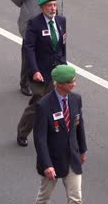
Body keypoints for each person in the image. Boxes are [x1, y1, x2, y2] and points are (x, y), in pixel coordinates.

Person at [16, 0, 67, 147]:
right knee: (37, 104)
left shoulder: (61, 21)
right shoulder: (34, 24)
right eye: (49, 6)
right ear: (42, 8)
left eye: (54, 5)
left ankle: (54, 134)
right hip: (40, 72)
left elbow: (62, 45)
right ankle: (23, 132)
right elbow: (29, 49)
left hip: (57, 71)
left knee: (58, 103)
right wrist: (34, 70)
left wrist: (63, 65)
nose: (53, 8)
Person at [11, 0, 64, 97]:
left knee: (52, 51)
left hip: (52, 20)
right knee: (30, 52)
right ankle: (25, 82)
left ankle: (48, 79)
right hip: (33, 24)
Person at [33, 65, 87, 204]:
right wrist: (47, 164)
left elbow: (79, 125)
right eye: (71, 82)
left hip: (72, 158)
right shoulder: (43, 105)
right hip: (53, 160)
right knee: (44, 199)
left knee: (76, 199)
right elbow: (40, 138)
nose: (74, 84)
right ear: (60, 84)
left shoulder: (76, 99)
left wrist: (82, 150)